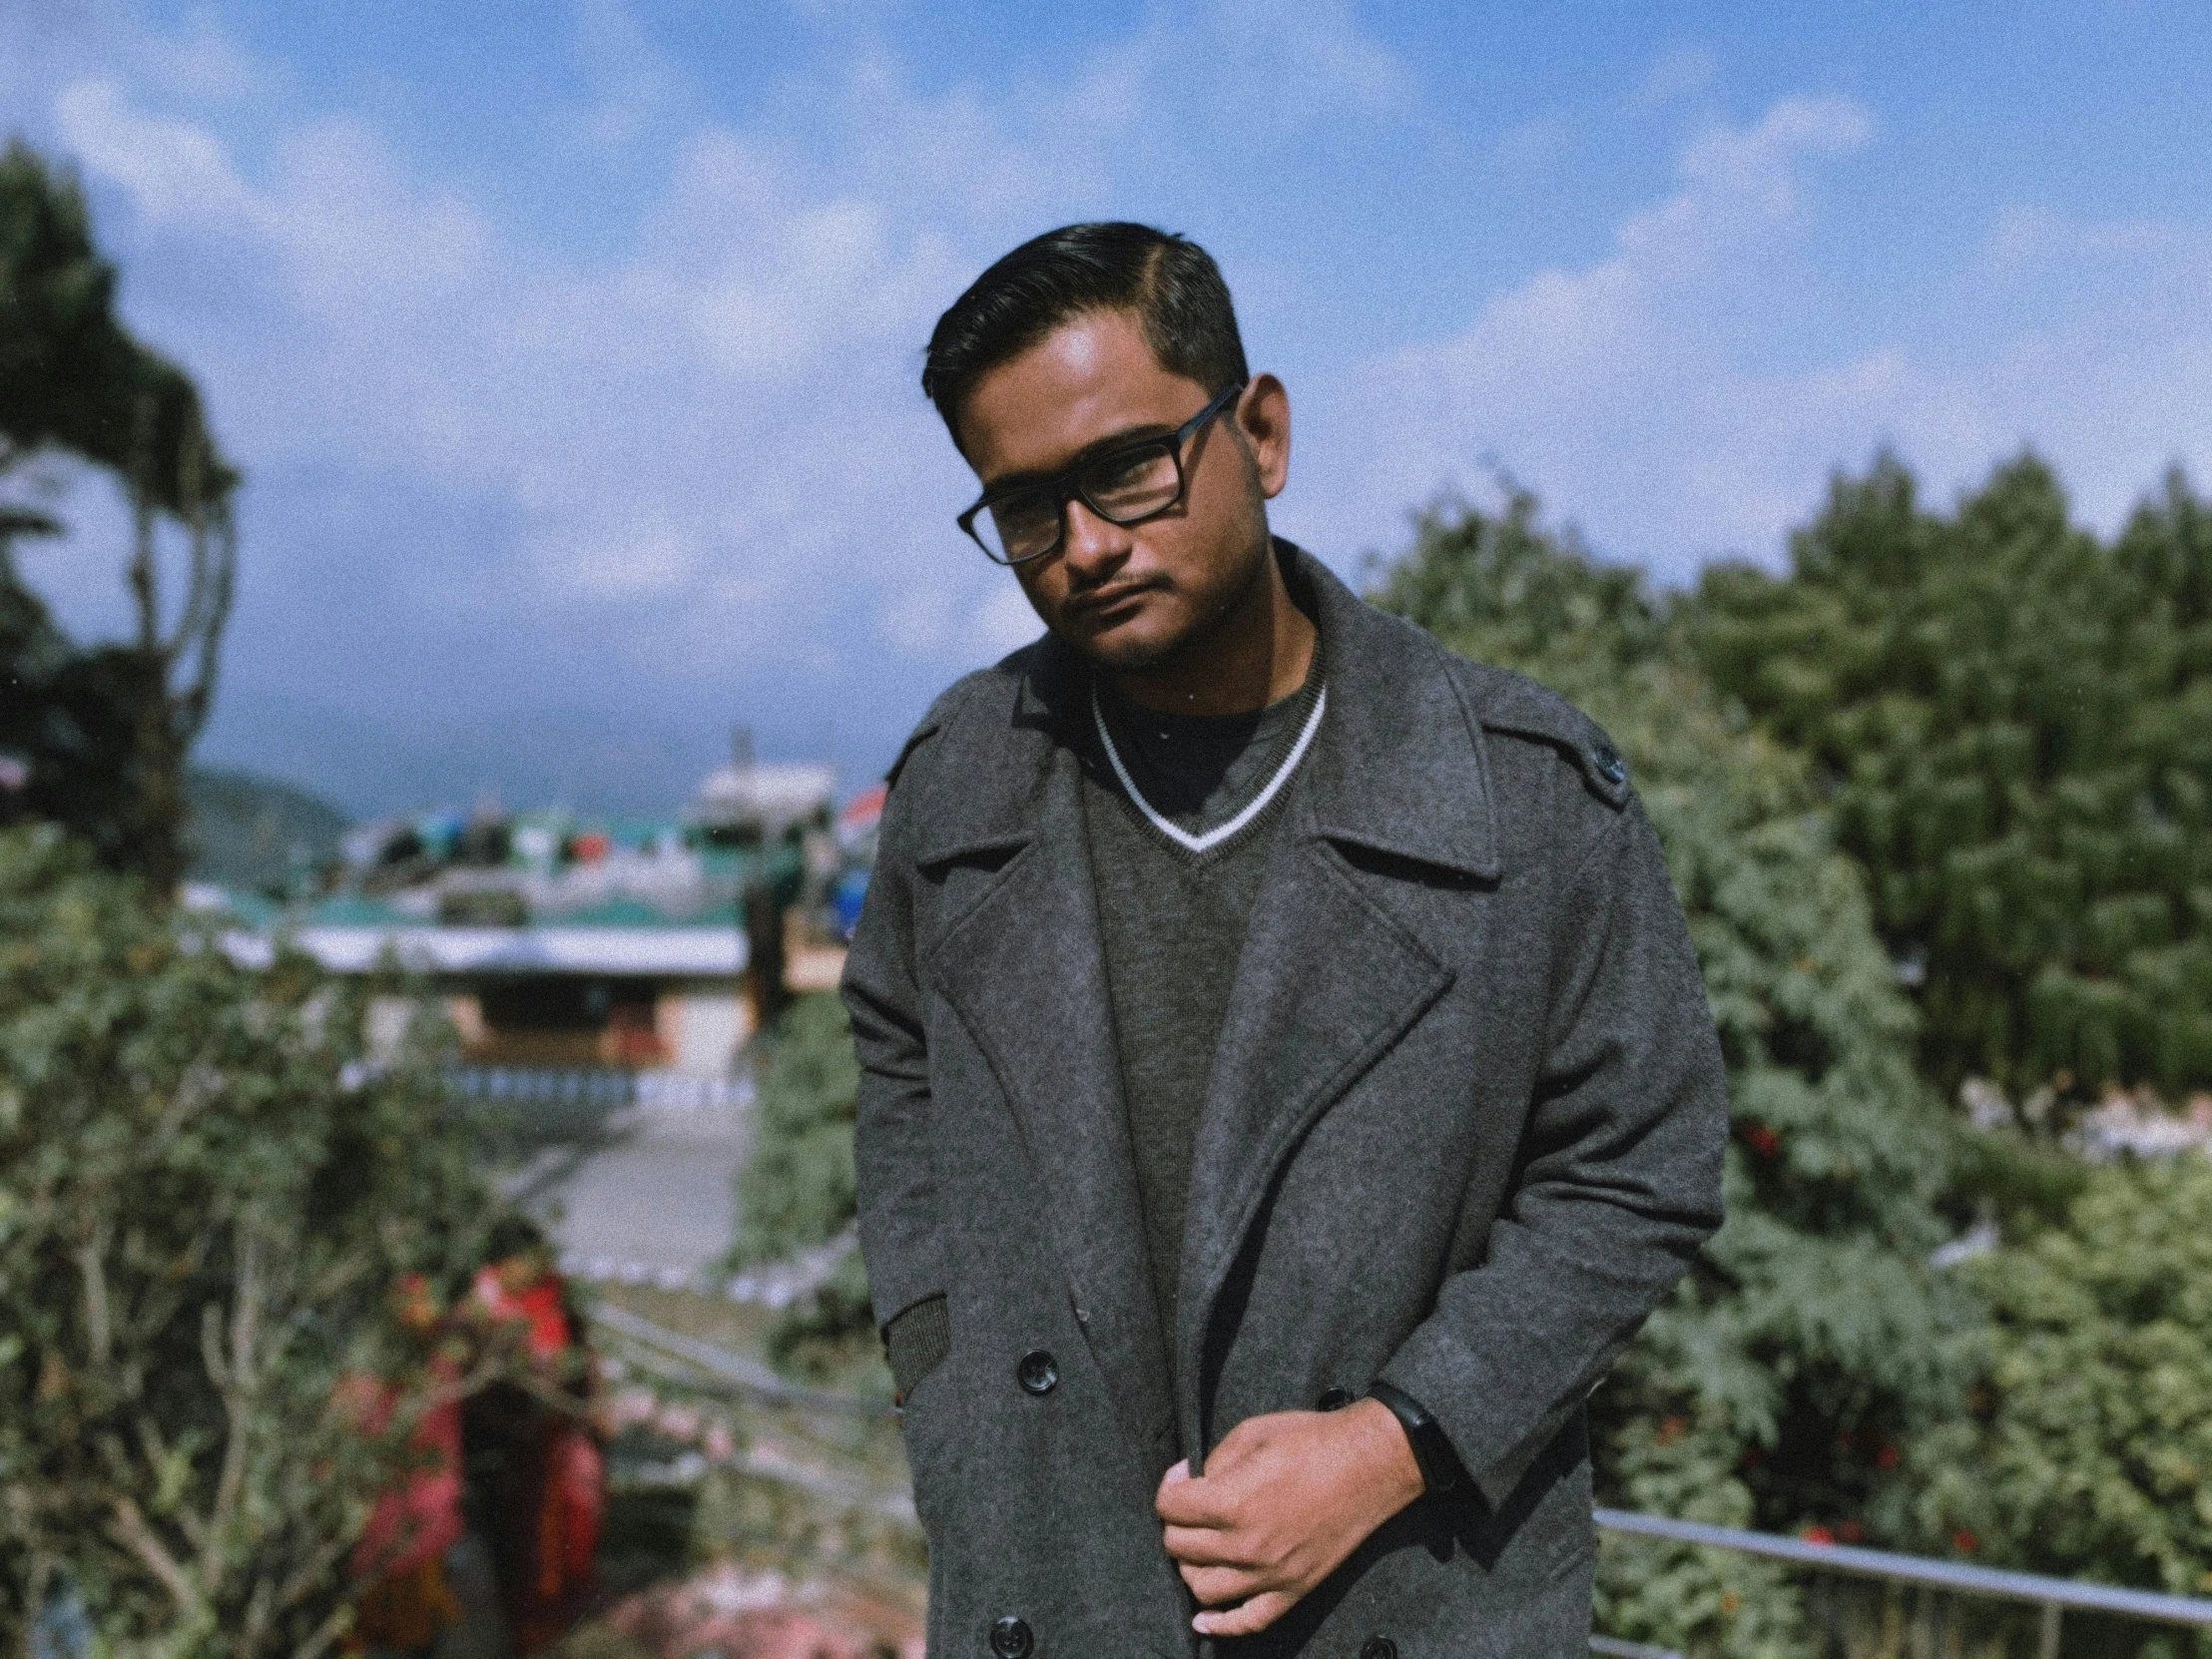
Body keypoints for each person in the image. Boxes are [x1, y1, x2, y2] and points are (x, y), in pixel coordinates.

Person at [842, 223, 1727, 1657]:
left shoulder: (1523, 793)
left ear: (1260, 431)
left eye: (1131, 464)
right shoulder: (960, 779)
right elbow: (895, 1061)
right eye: (1021, 506)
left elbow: (1643, 1164)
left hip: (1409, 1591)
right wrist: (948, 1380)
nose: (1084, 545)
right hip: (1050, 1587)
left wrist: (1395, 1440)